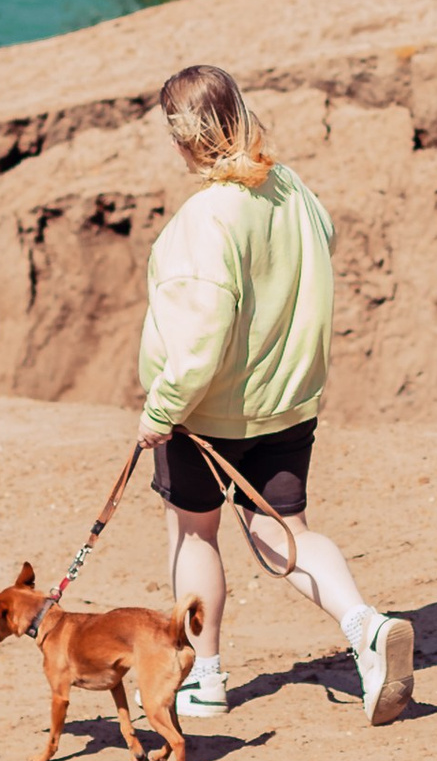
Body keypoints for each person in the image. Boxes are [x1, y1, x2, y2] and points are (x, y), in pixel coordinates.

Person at [134, 61, 414, 726]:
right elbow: (322, 246)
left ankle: (204, 677)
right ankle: (364, 624)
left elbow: (200, 337)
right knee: (283, 531)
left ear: (181, 141)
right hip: (287, 402)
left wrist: (160, 410)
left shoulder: (205, 219)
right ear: (239, 114)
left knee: (194, 532)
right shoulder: (291, 189)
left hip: (206, 415)